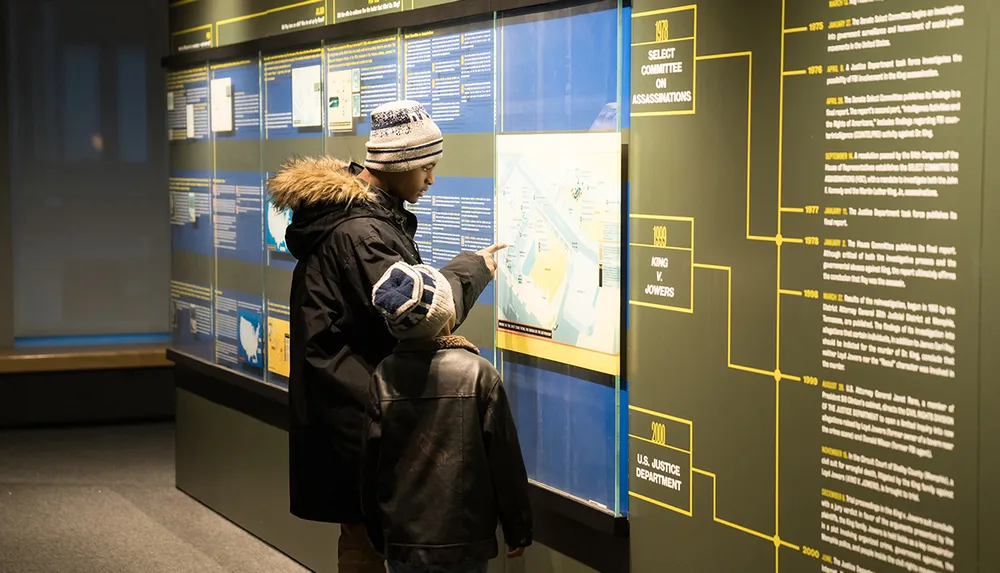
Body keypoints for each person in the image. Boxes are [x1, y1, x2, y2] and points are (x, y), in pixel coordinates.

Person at [267, 100, 505, 572]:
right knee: (367, 541)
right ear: (400, 165)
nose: (431, 180)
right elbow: (416, 314)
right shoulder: (363, 233)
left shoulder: (350, 219)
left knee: (361, 535)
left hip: (343, 403)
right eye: (427, 168)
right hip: (358, 410)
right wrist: (474, 269)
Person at [363, 261, 533, 573]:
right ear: (446, 315)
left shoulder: (384, 375)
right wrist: (517, 528)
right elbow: (504, 462)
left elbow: (372, 466)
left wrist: (377, 534)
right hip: (464, 541)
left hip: (404, 541)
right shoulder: (478, 373)